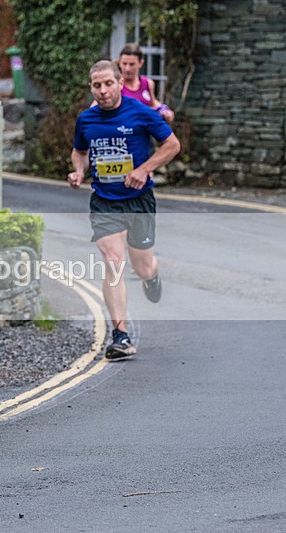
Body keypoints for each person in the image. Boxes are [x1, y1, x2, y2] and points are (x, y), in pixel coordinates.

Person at [68, 60, 180, 360]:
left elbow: (172, 145)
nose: (103, 90)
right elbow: (79, 151)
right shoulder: (86, 120)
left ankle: (152, 276)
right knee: (114, 261)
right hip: (105, 199)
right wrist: (78, 172)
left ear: (120, 82)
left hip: (138, 199)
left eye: (108, 84)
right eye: (96, 85)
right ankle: (121, 335)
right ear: (91, 87)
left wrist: (144, 169)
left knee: (142, 266)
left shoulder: (141, 112)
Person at [118, 43, 175, 124]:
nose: (127, 68)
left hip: (144, 133)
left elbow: (153, 103)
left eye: (132, 64)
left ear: (141, 63)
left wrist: (165, 111)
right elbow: (96, 107)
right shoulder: (114, 85)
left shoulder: (147, 83)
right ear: (119, 62)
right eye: (124, 64)